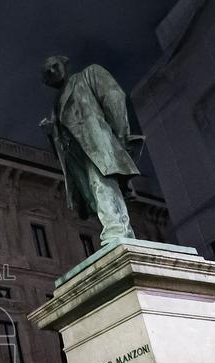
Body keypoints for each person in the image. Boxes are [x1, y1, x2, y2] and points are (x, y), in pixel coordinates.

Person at [40, 55, 142, 245]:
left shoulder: (89, 75)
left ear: (65, 63)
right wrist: (50, 133)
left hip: (96, 143)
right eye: (48, 72)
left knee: (102, 185)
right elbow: (58, 149)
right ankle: (117, 230)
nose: (53, 71)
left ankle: (118, 231)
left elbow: (114, 97)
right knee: (93, 197)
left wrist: (120, 137)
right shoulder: (56, 107)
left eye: (55, 66)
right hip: (75, 156)